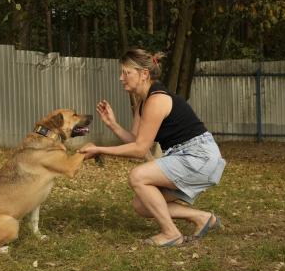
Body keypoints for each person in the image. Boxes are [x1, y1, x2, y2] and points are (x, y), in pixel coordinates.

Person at [79, 48, 226, 247]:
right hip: (185, 156)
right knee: (142, 205)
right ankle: (203, 218)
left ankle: (171, 233)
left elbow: (139, 150)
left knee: (137, 176)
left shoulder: (156, 100)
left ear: (144, 74)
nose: (121, 78)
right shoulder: (142, 102)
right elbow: (137, 141)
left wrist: (99, 149)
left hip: (198, 156)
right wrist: (112, 124)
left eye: (126, 72)